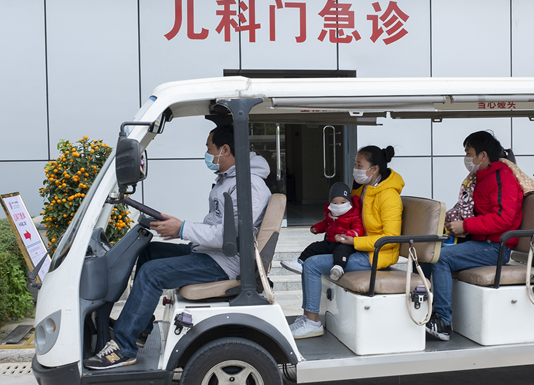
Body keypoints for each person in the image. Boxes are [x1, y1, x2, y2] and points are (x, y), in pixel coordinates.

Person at [84, 124, 272, 369]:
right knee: (150, 252)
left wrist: (182, 229)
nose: (207, 153)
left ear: (224, 150)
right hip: (211, 253)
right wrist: (177, 227)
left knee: (152, 273)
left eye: (209, 148)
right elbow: (217, 226)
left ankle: (123, 347)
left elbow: (232, 238)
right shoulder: (228, 181)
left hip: (226, 262)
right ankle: (139, 329)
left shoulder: (248, 186)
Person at [289, 145, 404, 339]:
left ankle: (312, 322)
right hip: (357, 248)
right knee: (312, 255)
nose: (356, 169)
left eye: (359, 165)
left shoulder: (388, 196)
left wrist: (354, 242)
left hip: (374, 256)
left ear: (374, 169)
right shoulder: (363, 189)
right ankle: (308, 317)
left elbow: (390, 239)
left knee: (312, 264)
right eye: (355, 164)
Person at [424, 131, 524, 341]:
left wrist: (466, 225)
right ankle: (421, 308)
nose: (466, 158)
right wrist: (460, 227)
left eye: (468, 152)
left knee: (440, 258)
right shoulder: (481, 177)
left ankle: (442, 321)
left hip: (495, 248)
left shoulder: (502, 177)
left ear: (483, 155)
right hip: (480, 241)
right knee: (426, 251)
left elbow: (503, 218)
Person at [281, 181, 365, 281]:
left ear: (349, 202)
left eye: (343, 202)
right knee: (313, 247)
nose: (339, 205)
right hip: (328, 243)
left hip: (344, 243)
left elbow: (359, 230)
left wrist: (345, 235)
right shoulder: (330, 215)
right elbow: (325, 224)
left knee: (342, 252)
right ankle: (300, 262)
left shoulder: (354, 216)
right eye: (335, 203)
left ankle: (338, 268)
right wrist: (317, 228)